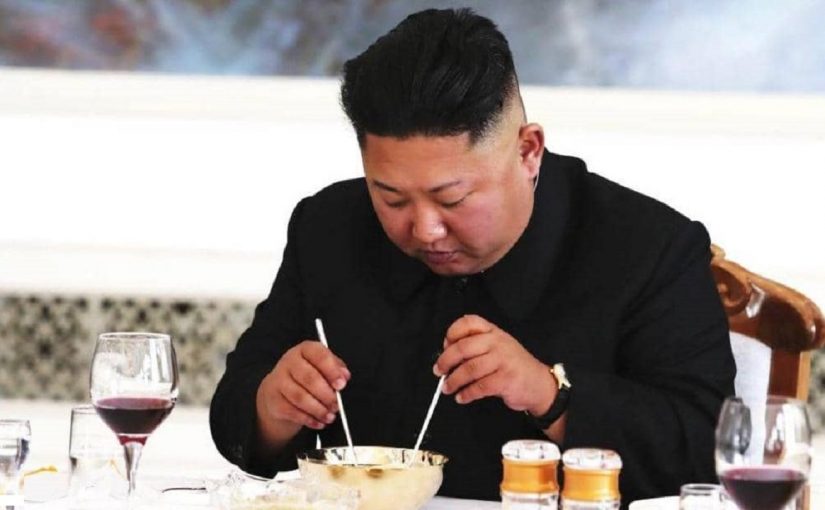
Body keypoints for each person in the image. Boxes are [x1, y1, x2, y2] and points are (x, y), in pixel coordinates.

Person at [210, 7, 735, 505]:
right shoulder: (328, 227)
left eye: (452, 199)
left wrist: (549, 394)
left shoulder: (648, 247)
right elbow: (237, 411)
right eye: (391, 198)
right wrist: (273, 408)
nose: (425, 229)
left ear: (528, 152)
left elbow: (707, 450)